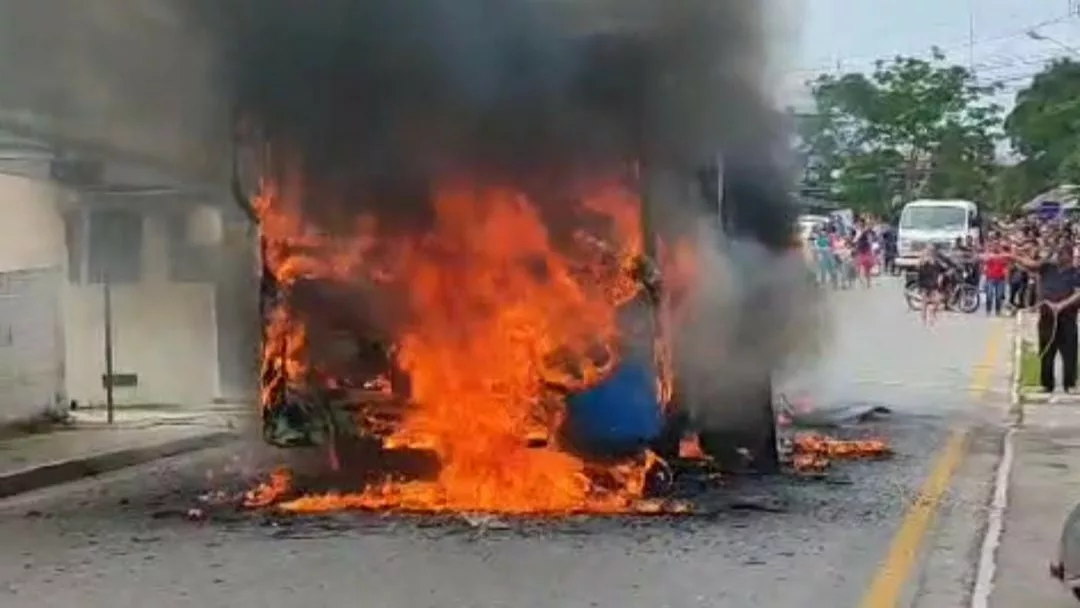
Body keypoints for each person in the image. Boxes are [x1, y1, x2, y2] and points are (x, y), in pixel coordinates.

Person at [1012, 245, 1080, 393]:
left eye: (1062, 253)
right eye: (1057, 253)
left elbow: (1078, 293)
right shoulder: (1048, 268)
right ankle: (1046, 384)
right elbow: (1031, 265)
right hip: (1047, 316)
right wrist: (1015, 255)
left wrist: (1061, 305)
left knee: (1069, 351)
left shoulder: (1076, 273)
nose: (1058, 256)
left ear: (1069, 256)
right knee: (1047, 349)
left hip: (1067, 317)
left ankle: (1070, 383)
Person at [915, 246, 949, 325]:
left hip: (933, 283)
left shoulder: (936, 261)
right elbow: (920, 273)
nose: (930, 253)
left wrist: (941, 277)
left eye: (932, 251)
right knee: (924, 302)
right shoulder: (923, 262)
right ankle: (924, 319)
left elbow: (942, 269)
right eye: (929, 251)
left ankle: (932, 313)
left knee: (938, 300)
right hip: (925, 283)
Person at [980, 241, 1009, 316]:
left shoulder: (1003, 256)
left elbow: (1005, 267)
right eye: (994, 245)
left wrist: (1006, 278)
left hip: (1000, 278)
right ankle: (988, 310)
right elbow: (984, 260)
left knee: (998, 296)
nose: (995, 247)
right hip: (990, 278)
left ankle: (998, 311)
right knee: (989, 295)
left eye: (997, 245)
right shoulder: (989, 255)